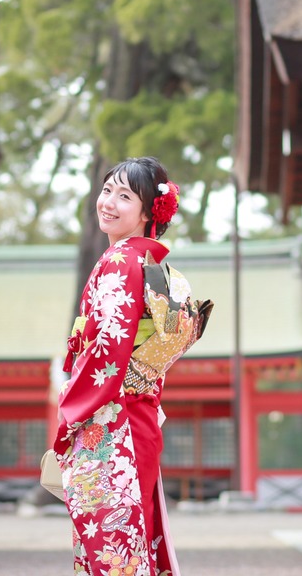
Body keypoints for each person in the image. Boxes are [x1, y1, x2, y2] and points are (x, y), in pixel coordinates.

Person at [54, 156, 211, 576]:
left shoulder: (120, 263)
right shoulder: (141, 263)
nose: (108, 202)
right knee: (127, 542)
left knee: (112, 549)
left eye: (124, 196)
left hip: (110, 419)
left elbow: (107, 351)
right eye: (107, 190)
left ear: (148, 213)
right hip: (134, 414)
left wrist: (68, 416)